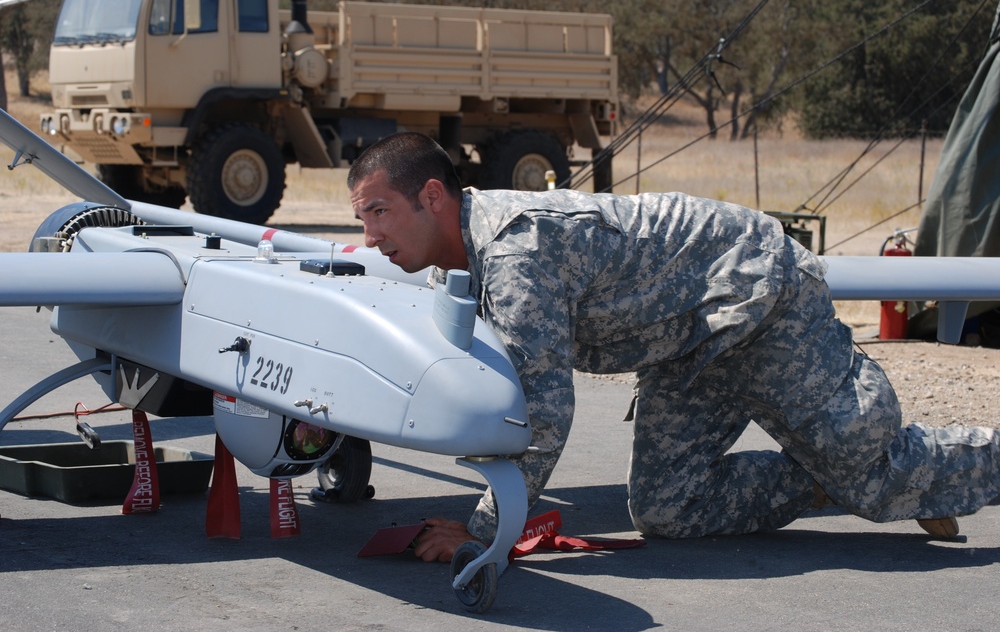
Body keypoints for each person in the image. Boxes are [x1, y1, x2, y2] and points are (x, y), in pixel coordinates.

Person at [347, 131, 1000, 563]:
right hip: (686, 339)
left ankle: (880, 462)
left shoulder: (517, 250)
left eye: (379, 212)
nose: (371, 235)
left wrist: (488, 528)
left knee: (876, 479)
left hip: (754, 294)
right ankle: (825, 480)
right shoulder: (452, 261)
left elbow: (542, 409)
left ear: (431, 197)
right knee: (671, 509)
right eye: (362, 219)